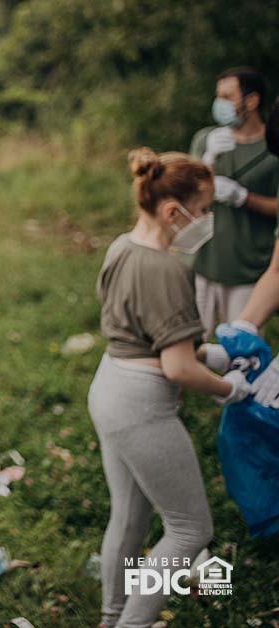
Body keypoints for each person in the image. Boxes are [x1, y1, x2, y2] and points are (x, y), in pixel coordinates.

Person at [88, 148, 252, 628]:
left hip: (110, 385)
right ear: (171, 211)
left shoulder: (122, 246)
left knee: (131, 515)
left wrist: (206, 353)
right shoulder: (168, 269)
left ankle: (111, 615)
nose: (207, 220)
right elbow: (178, 369)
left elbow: (146, 335)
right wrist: (229, 387)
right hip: (141, 407)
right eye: (203, 210)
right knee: (190, 529)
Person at [188, 67, 279, 338]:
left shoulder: (273, 147)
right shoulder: (207, 140)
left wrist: (243, 197)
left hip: (248, 268)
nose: (220, 104)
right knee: (191, 343)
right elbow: (183, 198)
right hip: (203, 262)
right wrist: (206, 162)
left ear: (251, 101)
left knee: (241, 348)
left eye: (228, 96)